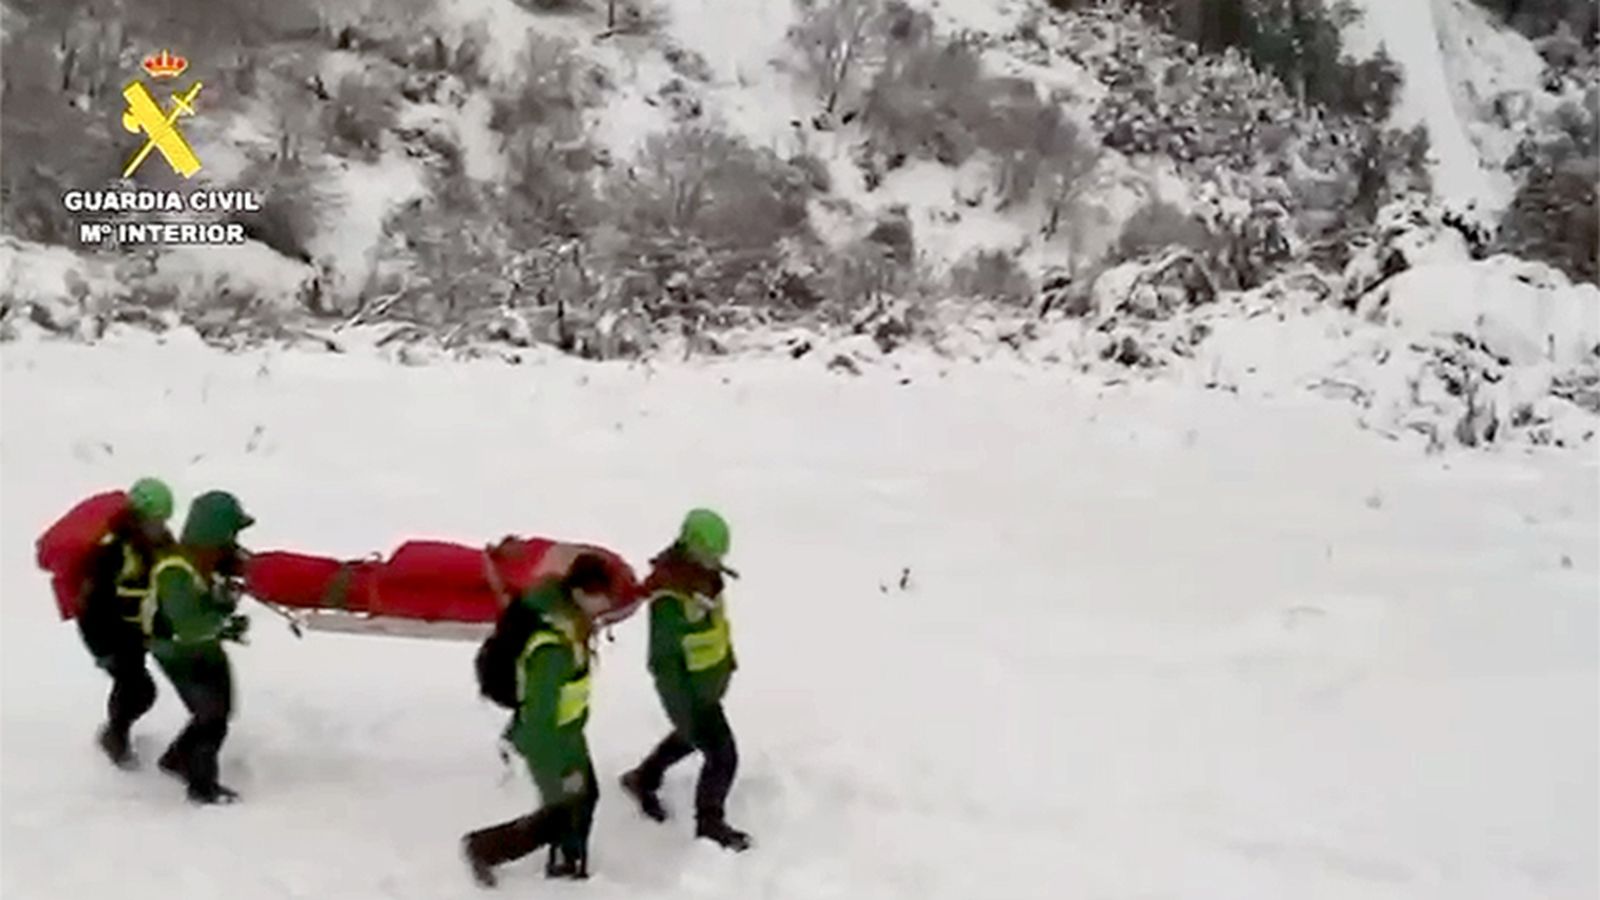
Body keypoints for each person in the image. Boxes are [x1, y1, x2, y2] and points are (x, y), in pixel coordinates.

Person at [463, 554, 617, 887]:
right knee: (561, 812)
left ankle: (568, 862)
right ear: (580, 593)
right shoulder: (551, 648)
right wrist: (552, 760)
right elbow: (540, 717)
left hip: (569, 734)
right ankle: (485, 848)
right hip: (550, 743)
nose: (605, 604)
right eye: (601, 596)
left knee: (584, 797)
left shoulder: (571, 621)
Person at [619, 509, 752, 851]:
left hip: (708, 687)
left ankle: (642, 778)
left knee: (690, 738)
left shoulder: (705, 579)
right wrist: (684, 708)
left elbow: (714, 631)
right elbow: (663, 664)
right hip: (690, 696)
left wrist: (726, 667)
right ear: (691, 548)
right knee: (723, 756)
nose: (715, 562)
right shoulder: (670, 598)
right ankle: (710, 824)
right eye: (710, 555)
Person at [143, 490, 255, 804]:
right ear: (214, 535)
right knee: (211, 716)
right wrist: (223, 624)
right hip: (176, 651)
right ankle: (202, 786)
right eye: (230, 534)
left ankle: (177, 758)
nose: (234, 542)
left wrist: (226, 600)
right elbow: (187, 625)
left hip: (203, 646)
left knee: (219, 710)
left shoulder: (210, 561)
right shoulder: (175, 571)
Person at [77, 477, 176, 768]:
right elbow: (92, 606)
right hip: (109, 634)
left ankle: (115, 733)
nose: (159, 526)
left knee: (136, 687)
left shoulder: (159, 544)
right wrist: (107, 649)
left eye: (162, 520)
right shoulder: (112, 552)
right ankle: (115, 737)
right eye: (153, 520)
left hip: (137, 631)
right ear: (137, 517)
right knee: (138, 688)